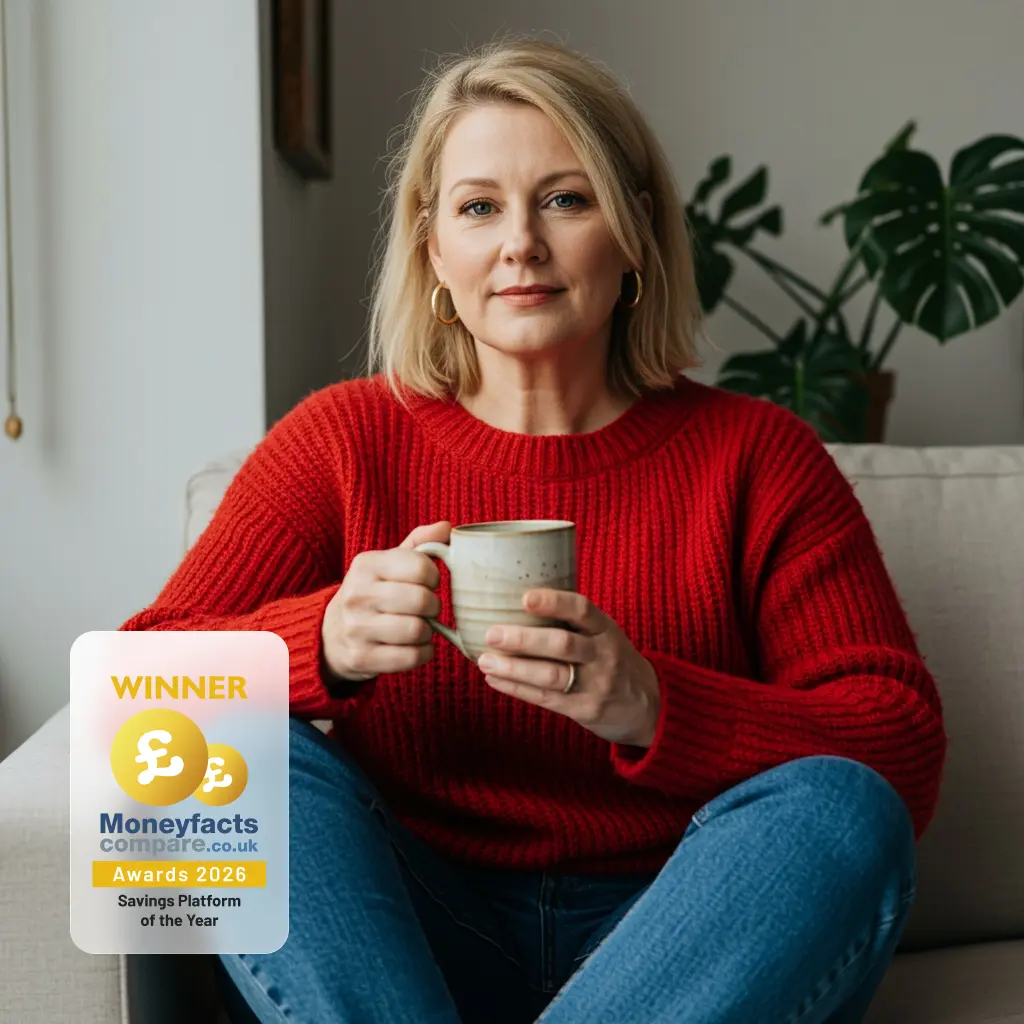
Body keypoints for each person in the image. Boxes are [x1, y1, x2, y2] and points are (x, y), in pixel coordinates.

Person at [122, 36, 946, 1024]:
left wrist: (652, 703)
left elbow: (897, 738)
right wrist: (323, 642)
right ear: (434, 249)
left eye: (565, 198)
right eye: (479, 207)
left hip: (677, 943)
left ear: (634, 231)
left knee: (842, 809)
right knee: (233, 752)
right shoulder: (341, 438)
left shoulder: (757, 456)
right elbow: (132, 694)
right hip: (408, 939)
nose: (521, 242)